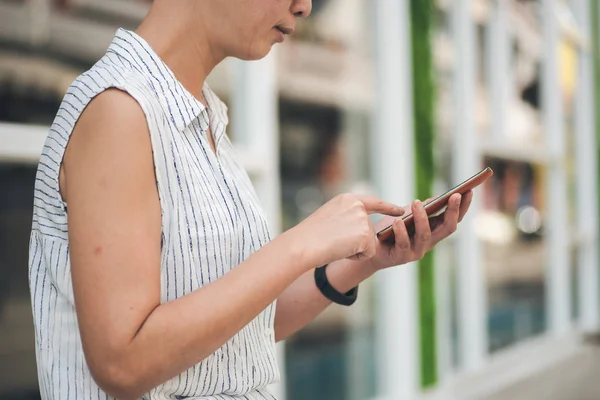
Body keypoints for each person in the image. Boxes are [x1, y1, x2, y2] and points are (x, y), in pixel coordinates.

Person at [28, 1, 473, 399]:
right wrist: (299, 245)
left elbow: (238, 332)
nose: (305, 7)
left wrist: (365, 259)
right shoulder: (121, 111)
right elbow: (122, 364)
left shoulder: (200, 118)